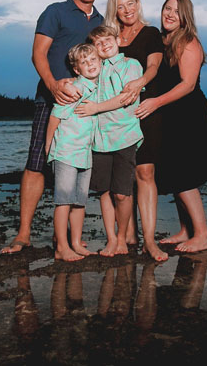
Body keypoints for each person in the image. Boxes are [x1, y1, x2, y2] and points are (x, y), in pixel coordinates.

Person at [1, 0, 104, 254]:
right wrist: (53, 85)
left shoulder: (101, 21)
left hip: (86, 108)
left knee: (76, 167)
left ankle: (70, 238)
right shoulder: (55, 11)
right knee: (38, 162)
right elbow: (38, 53)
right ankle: (23, 235)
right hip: (51, 101)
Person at [135, 0, 207, 253]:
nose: (169, 14)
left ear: (185, 18)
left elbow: (188, 85)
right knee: (174, 171)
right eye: (167, 8)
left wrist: (155, 102)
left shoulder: (188, 41)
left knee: (184, 175)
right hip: (169, 113)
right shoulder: (161, 39)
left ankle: (202, 235)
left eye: (176, 11)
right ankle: (185, 230)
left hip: (188, 114)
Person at [103, 0, 168, 261]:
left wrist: (140, 82)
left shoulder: (152, 34)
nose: (127, 10)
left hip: (144, 110)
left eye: (131, 4)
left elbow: (154, 67)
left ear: (138, 3)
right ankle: (126, 234)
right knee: (120, 177)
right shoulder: (111, 37)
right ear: (114, 11)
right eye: (121, 6)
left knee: (145, 174)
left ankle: (149, 241)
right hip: (114, 118)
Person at [75, 25, 143, 256]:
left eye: (107, 39)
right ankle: (112, 239)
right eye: (98, 43)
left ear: (118, 40)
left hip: (124, 136)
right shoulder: (97, 68)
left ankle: (123, 237)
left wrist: (95, 108)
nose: (104, 45)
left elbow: (126, 98)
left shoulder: (131, 65)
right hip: (99, 139)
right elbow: (78, 82)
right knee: (104, 191)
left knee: (122, 193)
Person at [45, 44, 101, 261]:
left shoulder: (98, 88)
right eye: (84, 63)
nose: (90, 65)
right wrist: (48, 146)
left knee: (80, 202)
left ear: (100, 61)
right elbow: (55, 116)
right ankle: (61, 247)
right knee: (64, 201)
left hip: (84, 153)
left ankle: (76, 242)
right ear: (76, 69)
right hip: (66, 151)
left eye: (93, 60)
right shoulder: (74, 88)